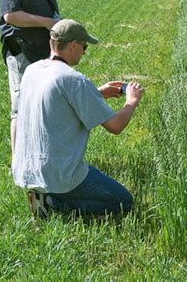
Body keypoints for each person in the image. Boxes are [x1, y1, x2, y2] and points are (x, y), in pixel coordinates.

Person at [12, 19, 144, 218]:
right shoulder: (74, 79)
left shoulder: (32, 71)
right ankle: (54, 202)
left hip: (27, 170)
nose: (84, 51)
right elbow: (116, 126)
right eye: (84, 46)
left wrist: (97, 93)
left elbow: (56, 103)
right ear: (73, 45)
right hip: (59, 175)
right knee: (123, 201)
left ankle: (43, 194)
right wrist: (132, 101)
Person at [0, 0, 61, 156]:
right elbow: (10, 16)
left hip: (41, 50)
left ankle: (40, 154)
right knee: (21, 108)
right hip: (21, 50)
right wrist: (48, 23)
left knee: (42, 104)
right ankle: (19, 163)